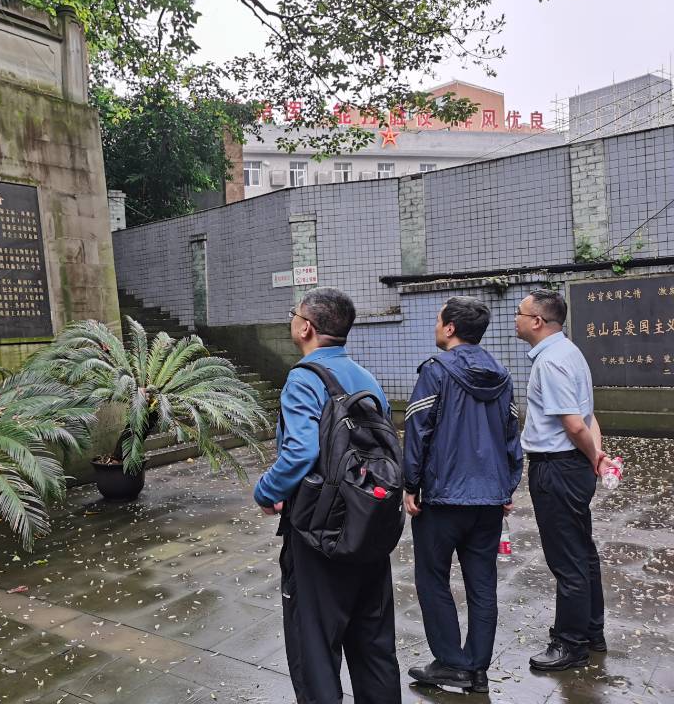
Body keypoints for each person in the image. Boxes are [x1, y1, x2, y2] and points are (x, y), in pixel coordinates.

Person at [254, 287, 401, 704]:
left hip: (321, 532)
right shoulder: (366, 378)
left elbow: (300, 451)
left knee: (315, 646)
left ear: (306, 327)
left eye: (294, 314)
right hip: (369, 523)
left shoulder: (305, 378)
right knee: (373, 643)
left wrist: (266, 490)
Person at [402, 296, 523, 694]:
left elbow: (418, 430)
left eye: (439, 320)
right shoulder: (502, 376)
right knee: (482, 584)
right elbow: (511, 437)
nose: (436, 326)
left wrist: (410, 484)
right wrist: (506, 486)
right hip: (489, 500)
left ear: (451, 327)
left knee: (433, 577)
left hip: (443, 499)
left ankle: (451, 664)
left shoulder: (435, 371)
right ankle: (477, 669)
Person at [515, 289, 611, 671]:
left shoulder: (551, 361)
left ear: (537, 321)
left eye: (520, 313)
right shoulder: (570, 352)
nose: (516, 320)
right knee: (582, 552)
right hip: (572, 467)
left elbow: (574, 424)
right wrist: (595, 456)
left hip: (556, 470)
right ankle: (592, 631)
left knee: (567, 560)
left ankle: (571, 644)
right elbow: (589, 417)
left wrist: (592, 456)